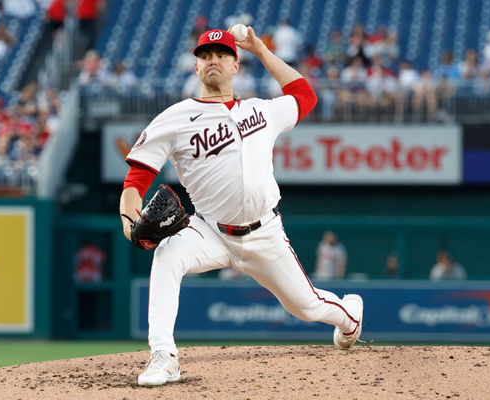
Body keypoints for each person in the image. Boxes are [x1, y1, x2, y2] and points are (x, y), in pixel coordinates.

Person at [119, 27, 364, 387]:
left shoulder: (261, 111)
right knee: (168, 254)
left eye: (220, 54)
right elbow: (136, 180)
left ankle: (350, 316)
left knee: (306, 306)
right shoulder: (174, 118)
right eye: (204, 55)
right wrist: (129, 219)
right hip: (210, 231)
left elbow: (304, 95)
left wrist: (262, 51)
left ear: (236, 64)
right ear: (196, 67)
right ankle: (163, 357)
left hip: (264, 234)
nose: (212, 60)